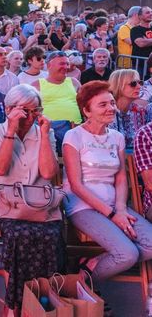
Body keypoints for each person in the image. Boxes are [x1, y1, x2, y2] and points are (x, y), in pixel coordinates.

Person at [63, 80, 152, 309]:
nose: (111, 108)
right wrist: (113, 215)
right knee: (127, 254)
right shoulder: (74, 136)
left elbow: (120, 177)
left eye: (112, 103)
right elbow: (76, 185)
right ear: (86, 111)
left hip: (115, 204)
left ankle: (87, 267)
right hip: (83, 206)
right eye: (102, 105)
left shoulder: (117, 137)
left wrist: (120, 209)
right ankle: (84, 283)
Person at [0, 84, 62, 316]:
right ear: (9, 109)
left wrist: (44, 136)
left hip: (39, 203)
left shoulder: (44, 132)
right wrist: (11, 130)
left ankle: (38, 299)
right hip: (5, 203)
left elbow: (48, 173)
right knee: (18, 234)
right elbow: (0, 168)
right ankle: (15, 304)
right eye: (24, 111)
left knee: (50, 234)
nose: (30, 117)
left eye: (35, 111)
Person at [31, 51, 82, 124]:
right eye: (62, 64)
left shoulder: (74, 82)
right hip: (49, 127)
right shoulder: (36, 85)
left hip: (75, 126)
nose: (66, 67)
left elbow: (85, 104)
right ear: (49, 65)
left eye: (67, 64)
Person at [108, 69, 152, 151]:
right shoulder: (106, 112)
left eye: (140, 83)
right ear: (118, 86)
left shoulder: (142, 111)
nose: (139, 87)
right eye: (133, 83)